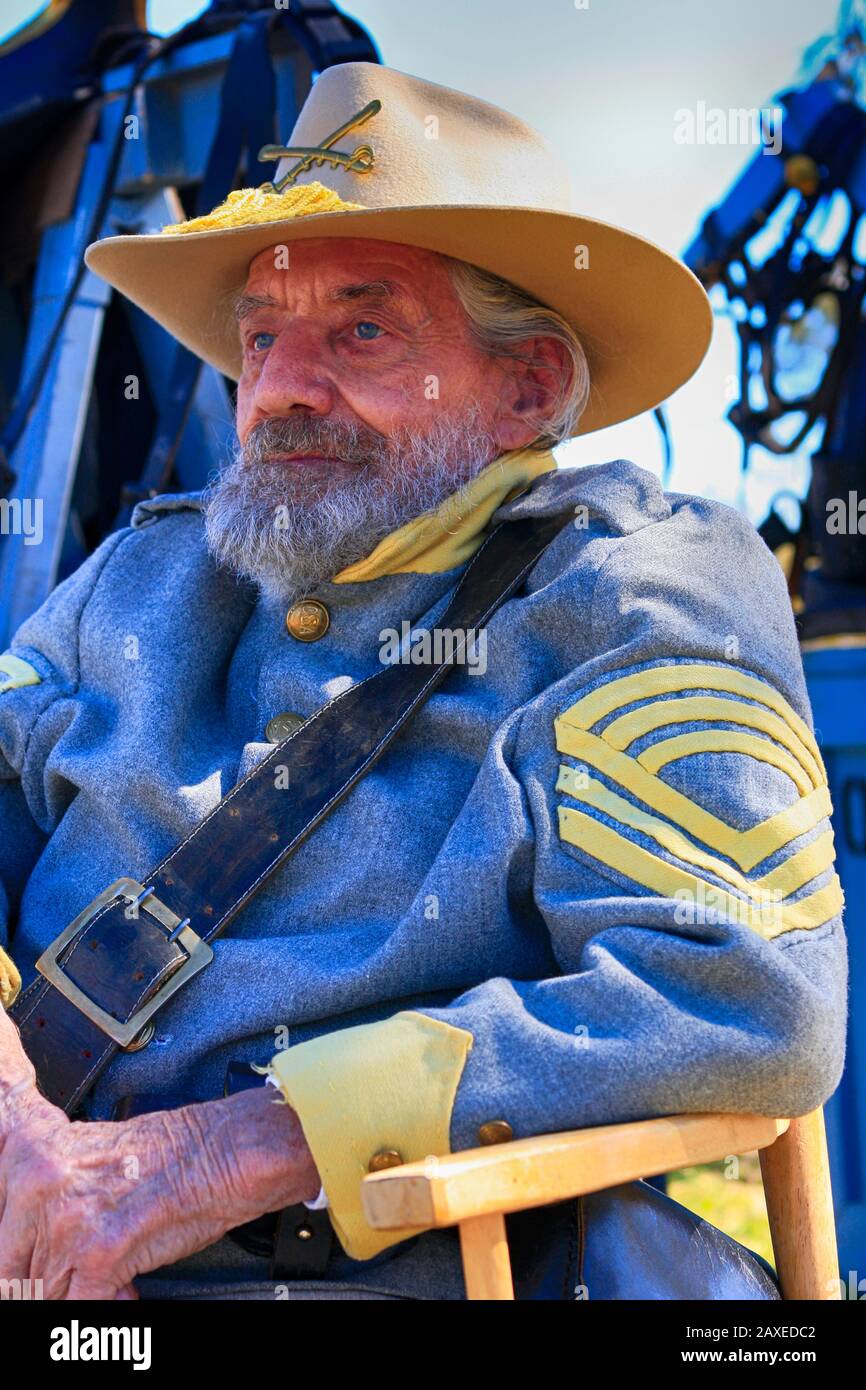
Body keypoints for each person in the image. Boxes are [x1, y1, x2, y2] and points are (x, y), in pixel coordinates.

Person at [0, 62, 847, 1301]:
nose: (280, 388)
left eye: (361, 329)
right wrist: (20, 1139)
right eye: (260, 337)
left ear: (527, 389)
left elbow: (740, 994)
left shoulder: (634, 591)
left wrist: (212, 1158)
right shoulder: (148, 571)